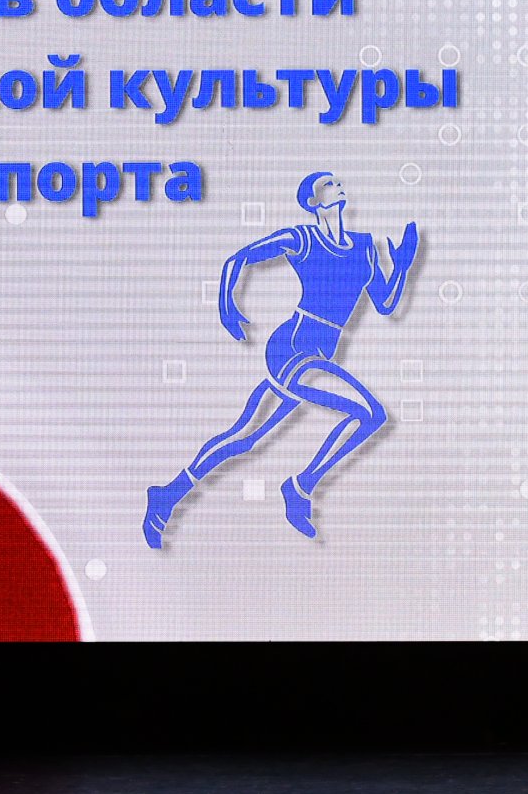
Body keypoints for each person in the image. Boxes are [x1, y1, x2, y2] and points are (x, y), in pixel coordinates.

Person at [144, 171, 419, 546]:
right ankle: (300, 487)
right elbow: (240, 258)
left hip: (320, 353)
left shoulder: (365, 247)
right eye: (327, 184)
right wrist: (227, 306)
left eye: (337, 182)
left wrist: (402, 267)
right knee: (370, 413)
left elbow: (385, 304)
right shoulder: (303, 239)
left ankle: (165, 495)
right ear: (313, 202)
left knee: (243, 437)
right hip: (293, 346)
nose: (337, 185)